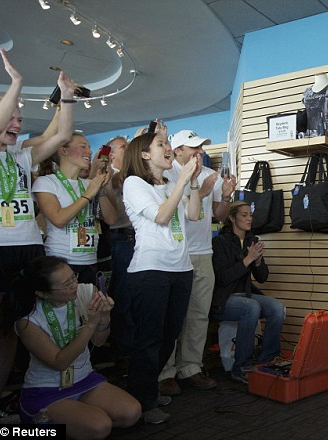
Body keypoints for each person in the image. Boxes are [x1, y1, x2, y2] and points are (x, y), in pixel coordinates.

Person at [0, 56, 76, 417]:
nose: (16, 123)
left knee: (15, 328)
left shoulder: (21, 156)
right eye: (10, 118)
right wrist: (16, 83)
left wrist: (67, 98)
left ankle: (3, 400)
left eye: (19, 119)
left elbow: (60, 135)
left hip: (28, 248)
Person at [7, 256, 140, 438]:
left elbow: (99, 341)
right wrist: (91, 324)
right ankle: (32, 427)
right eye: (66, 284)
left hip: (84, 378)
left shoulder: (86, 291)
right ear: (43, 293)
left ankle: (72, 420)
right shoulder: (28, 320)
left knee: (131, 413)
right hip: (48, 388)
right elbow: (59, 362)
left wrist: (105, 317)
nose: (74, 285)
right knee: (99, 426)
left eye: (73, 277)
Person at [120, 128, 200, 425]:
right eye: (161, 144)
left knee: (169, 336)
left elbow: (192, 215)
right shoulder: (133, 183)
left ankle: (146, 390)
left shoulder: (170, 182)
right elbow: (162, 217)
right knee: (149, 339)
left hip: (181, 269)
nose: (168, 149)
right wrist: (181, 181)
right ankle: (142, 399)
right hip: (150, 270)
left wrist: (190, 183)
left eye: (168, 144)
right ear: (144, 154)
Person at [158, 130, 235, 395]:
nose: (199, 152)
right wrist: (200, 192)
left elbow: (220, 216)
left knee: (199, 314)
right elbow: (170, 209)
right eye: (193, 148)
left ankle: (190, 367)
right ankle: (164, 372)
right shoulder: (166, 173)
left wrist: (224, 195)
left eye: (201, 147)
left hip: (203, 252)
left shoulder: (208, 176)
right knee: (171, 316)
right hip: (174, 252)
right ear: (177, 151)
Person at [212, 200, 284, 384]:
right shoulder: (219, 242)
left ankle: (266, 360)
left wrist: (258, 262)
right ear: (231, 218)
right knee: (250, 307)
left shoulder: (252, 240)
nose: (249, 218)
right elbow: (222, 278)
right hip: (223, 299)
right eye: (244, 215)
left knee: (277, 307)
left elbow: (262, 278)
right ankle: (241, 366)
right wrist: (248, 259)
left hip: (246, 295)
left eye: (250, 214)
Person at [33, 133, 115, 284]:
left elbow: (111, 219)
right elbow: (58, 219)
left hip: (90, 259)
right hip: (61, 259)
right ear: (63, 151)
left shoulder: (88, 183)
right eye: (83, 147)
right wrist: (89, 194)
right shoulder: (46, 183)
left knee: (87, 306)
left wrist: (101, 188)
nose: (89, 152)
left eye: (89, 148)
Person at [105, 135, 136, 360]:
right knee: (123, 296)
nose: (129, 149)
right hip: (119, 239)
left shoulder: (131, 174)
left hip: (136, 238)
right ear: (112, 153)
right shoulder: (111, 175)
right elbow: (118, 182)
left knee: (135, 295)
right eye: (125, 147)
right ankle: (123, 351)